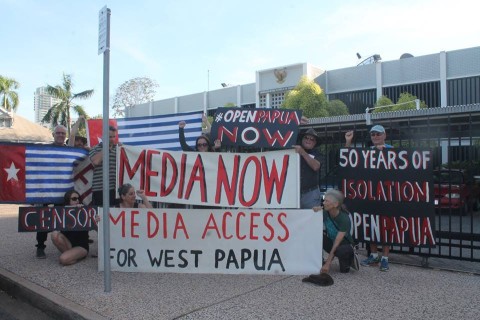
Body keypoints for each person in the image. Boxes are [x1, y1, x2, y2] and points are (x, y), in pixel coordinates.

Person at [345, 124, 392, 271]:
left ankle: (385, 258)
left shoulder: (392, 151)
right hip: (369, 195)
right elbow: (349, 159)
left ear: (384, 135)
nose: (376, 137)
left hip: (387, 195)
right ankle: (373, 255)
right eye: (373, 134)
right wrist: (348, 141)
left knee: (385, 227)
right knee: (371, 224)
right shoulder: (367, 152)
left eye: (378, 134)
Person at [35, 125, 68, 259]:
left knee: (62, 219)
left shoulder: (70, 151)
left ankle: (63, 244)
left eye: (63, 133)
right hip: (47, 190)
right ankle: (40, 246)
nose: (60, 135)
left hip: (62, 191)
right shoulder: (45, 150)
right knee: (43, 219)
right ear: (53, 135)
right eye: (58, 133)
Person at [313, 189, 359, 273]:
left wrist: (328, 263)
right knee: (317, 236)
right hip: (333, 242)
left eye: (327, 201)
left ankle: (349, 258)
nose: (323, 203)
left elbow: (337, 243)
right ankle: (318, 260)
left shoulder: (344, 219)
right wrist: (315, 211)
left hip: (344, 245)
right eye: (324, 200)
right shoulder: (326, 213)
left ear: (335, 204)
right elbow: (313, 221)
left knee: (343, 264)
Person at [50, 190, 93, 265]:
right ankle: (71, 255)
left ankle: (73, 256)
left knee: (63, 259)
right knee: (54, 234)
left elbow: (93, 225)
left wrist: (83, 212)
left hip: (81, 246)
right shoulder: (62, 212)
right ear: (68, 201)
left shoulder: (84, 211)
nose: (77, 200)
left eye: (78, 198)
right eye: (74, 199)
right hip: (68, 243)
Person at [89, 125, 118, 207]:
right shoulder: (95, 149)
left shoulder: (118, 149)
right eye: (109, 137)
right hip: (99, 189)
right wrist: (107, 148)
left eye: (113, 137)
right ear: (103, 137)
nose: (112, 139)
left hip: (115, 189)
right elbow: (95, 162)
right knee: (101, 214)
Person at [294, 128, 322, 208]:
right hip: (293, 193)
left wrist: (303, 152)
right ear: (302, 139)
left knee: (312, 218)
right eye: (306, 137)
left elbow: (316, 166)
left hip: (311, 194)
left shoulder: (318, 154)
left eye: (312, 139)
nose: (308, 140)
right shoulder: (293, 150)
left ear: (315, 143)